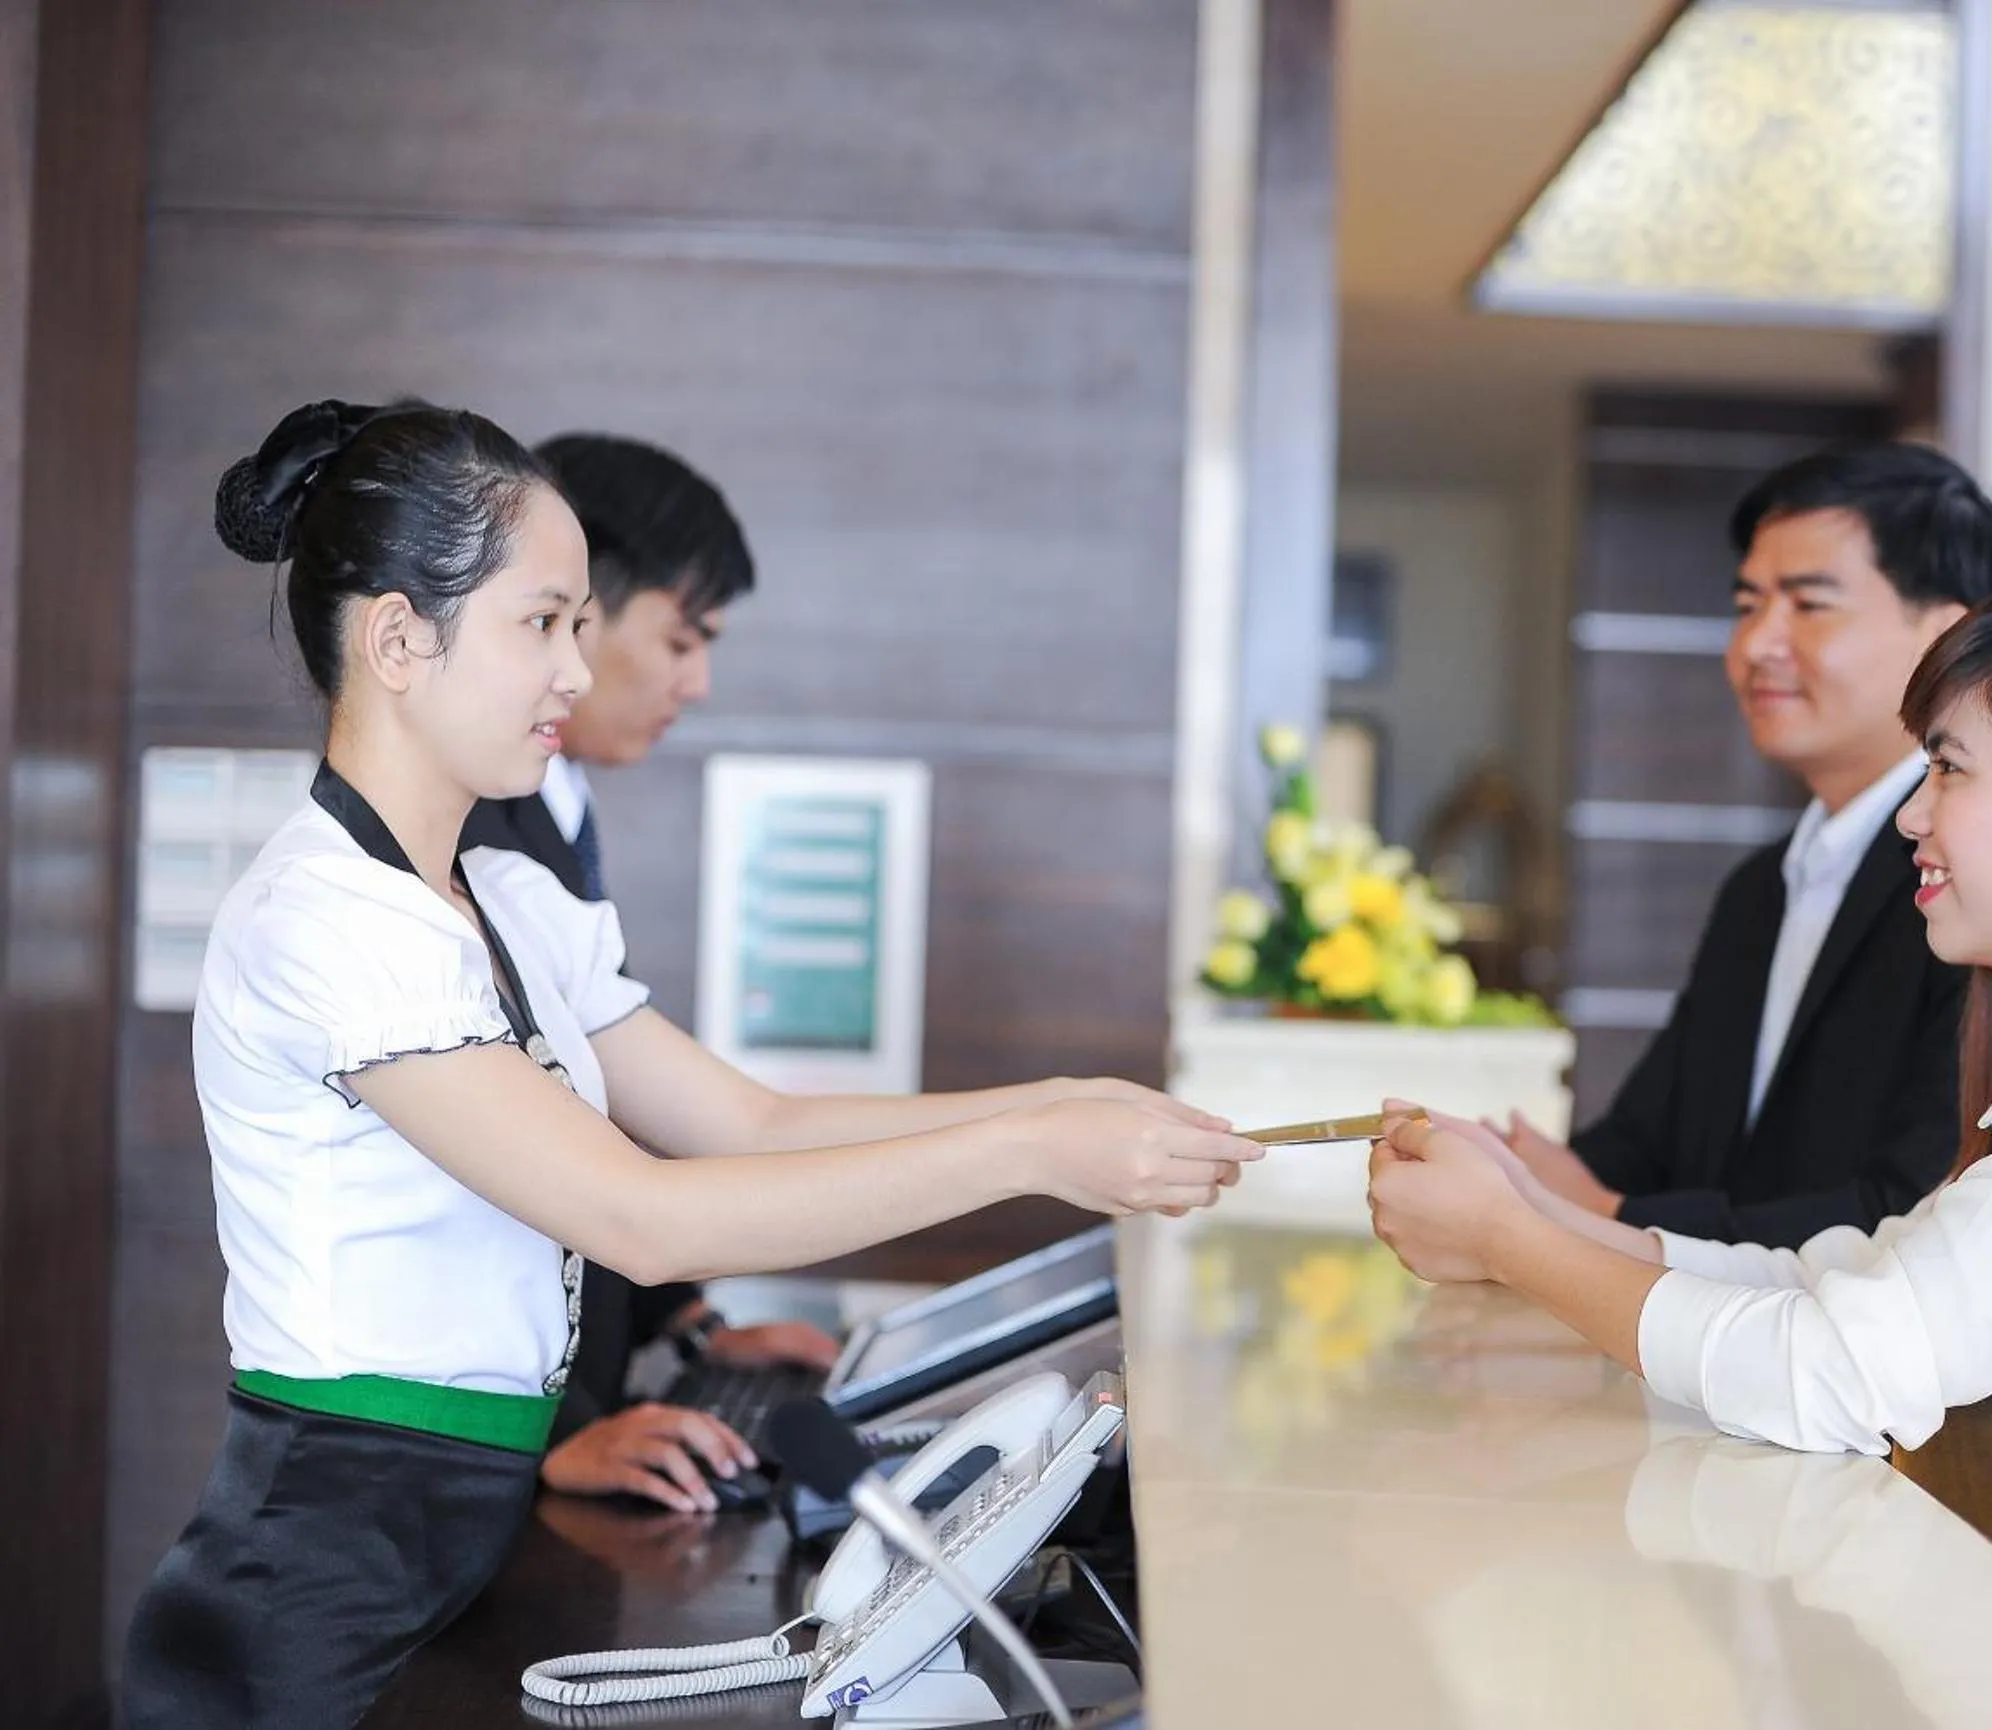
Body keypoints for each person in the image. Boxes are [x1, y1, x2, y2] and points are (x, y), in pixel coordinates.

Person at [124, 399, 1259, 1730]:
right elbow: (640, 1216)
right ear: (397, 638)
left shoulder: (506, 899)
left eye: (581, 623)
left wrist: (1059, 1101)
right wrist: (1030, 1152)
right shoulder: (326, 920)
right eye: (542, 622)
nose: (574, 667)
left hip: (446, 1541)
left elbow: (749, 1120)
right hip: (315, 1577)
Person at [1367, 568, 1992, 1726]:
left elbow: (1837, 1367)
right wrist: (1531, 1215)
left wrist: (1508, 1237)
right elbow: (1834, 1279)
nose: (1908, 816)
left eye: (1948, 767)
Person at [1508, 444, 1992, 1246]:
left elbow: (1915, 1208)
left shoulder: (1981, 890)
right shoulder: (1759, 888)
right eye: (1748, 605)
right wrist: (1505, 1172)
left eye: (1809, 605)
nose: (1756, 645)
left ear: (1951, 636)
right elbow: (1644, 1147)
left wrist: (1606, 1219)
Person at [459, 433, 827, 1513]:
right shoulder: (459, 838)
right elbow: (473, 1175)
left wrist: (685, 1323)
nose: (696, 682)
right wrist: (551, 1439)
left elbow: (592, 1101)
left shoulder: (549, 811)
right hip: (485, 1452)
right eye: (681, 638)